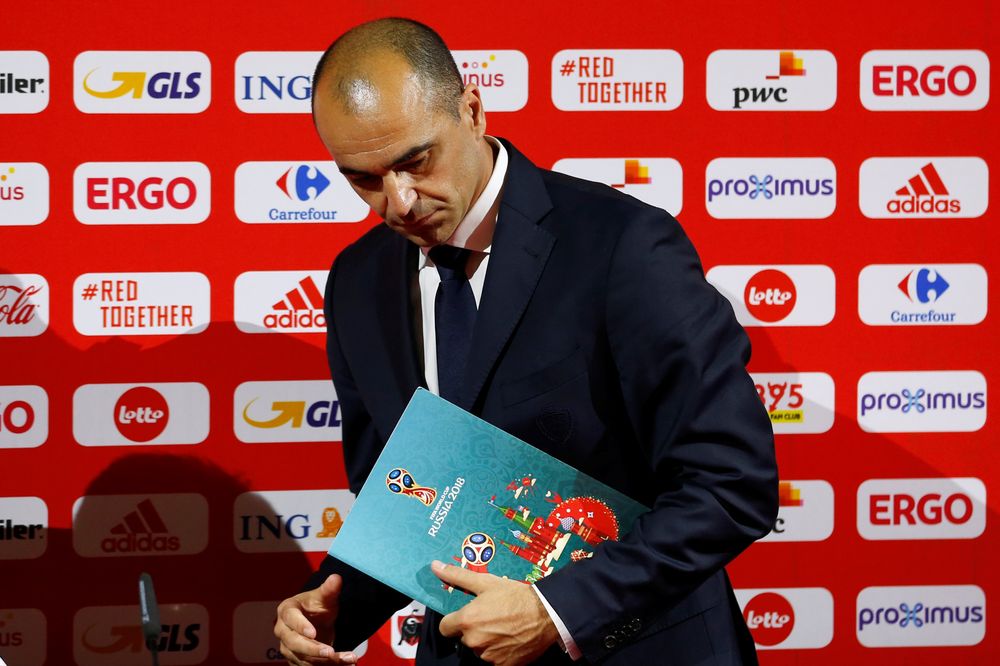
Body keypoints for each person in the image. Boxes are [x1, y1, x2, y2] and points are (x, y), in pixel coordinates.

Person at [274, 17, 778, 666]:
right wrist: (333, 606)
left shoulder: (621, 246)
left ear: (472, 110)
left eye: (415, 161)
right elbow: (403, 496)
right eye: (364, 179)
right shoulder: (356, 282)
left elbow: (732, 483)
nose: (399, 201)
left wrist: (555, 610)